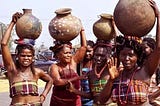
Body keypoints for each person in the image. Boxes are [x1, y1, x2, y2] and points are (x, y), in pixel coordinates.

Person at [99, 0, 160, 105]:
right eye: (123, 54)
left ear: (137, 56)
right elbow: (102, 100)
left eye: (131, 55)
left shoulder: (145, 71)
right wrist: (111, 80)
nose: (126, 58)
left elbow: (158, 48)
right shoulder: (117, 75)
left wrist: (158, 17)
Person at [1, 12, 53, 106]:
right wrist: (12, 23)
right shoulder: (12, 70)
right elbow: (4, 44)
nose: (26, 58)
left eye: (29, 56)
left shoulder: (37, 72)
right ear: (17, 56)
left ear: (33, 58)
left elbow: (50, 80)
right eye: (23, 55)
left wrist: (43, 96)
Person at [49, 27, 87, 106]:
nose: (69, 55)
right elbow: (57, 82)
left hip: (75, 101)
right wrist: (77, 78)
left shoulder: (73, 62)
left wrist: (81, 30)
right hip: (59, 102)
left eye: (70, 53)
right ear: (58, 55)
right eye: (66, 53)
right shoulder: (55, 67)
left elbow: (83, 47)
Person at [141, 37, 160, 105]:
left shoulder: (158, 63)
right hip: (145, 99)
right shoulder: (142, 63)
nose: (142, 51)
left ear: (152, 48)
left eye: (145, 48)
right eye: (141, 48)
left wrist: (152, 97)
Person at [80, 40, 94, 106]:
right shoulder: (78, 64)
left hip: (92, 100)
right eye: (85, 51)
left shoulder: (96, 64)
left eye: (89, 51)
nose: (87, 54)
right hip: (79, 98)